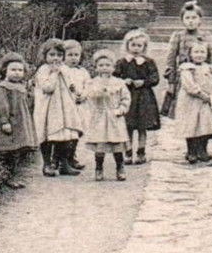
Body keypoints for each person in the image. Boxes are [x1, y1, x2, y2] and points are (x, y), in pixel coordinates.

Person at [0, 52, 37, 188]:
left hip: (19, 124)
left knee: (16, 152)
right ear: (5, 71)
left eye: (20, 70)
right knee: (7, 151)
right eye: (13, 70)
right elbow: (0, 106)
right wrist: (4, 121)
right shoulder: (3, 87)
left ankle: (13, 175)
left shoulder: (21, 87)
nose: (17, 73)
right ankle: (6, 177)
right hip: (8, 124)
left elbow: (26, 104)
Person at [82, 50, 131, 181]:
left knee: (117, 145)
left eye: (108, 65)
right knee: (100, 145)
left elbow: (125, 98)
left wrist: (121, 109)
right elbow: (89, 96)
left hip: (115, 117)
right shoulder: (92, 83)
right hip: (99, 117)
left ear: (113, 67)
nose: (105, 68)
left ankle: (120, 168)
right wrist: (99, 90)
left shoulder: (119, 83)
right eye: (101, 65)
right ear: (96, 67)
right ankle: (98, 168)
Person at [115, 28, 160, 164]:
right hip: (128, 97)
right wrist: (124, 81)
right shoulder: (122, 62)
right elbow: (115, 77)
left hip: (144, 98)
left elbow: (155, 78)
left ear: (144, 47)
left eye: (139, 46)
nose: (136, 48)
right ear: (127, 45)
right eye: (133, 45)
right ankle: (128, 153)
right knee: (128, 126)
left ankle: (141, 152)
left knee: (142, 127)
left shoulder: (148, 62)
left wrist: (144, 82)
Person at [31, 38, 75, 177]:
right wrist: (54, 73)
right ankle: (47, 164)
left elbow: (71, 85)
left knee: (64, 137)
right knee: (49, 136)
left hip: (63, 109)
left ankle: (63, 164)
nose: (55, 58)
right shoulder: (43, 70)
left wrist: (75, 91)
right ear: (45, 56)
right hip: (48, 109)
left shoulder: (65, 68)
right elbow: (48, 87)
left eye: (59, 55)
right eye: (52, 55)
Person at [176, 39, 212, 165]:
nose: (199, 55)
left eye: (202, 52)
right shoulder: (187, 68)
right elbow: (188, 85)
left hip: (207, 101)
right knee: (191, 124)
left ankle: (203, 150)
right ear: (190, 54)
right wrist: (201, 94)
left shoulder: (211, 68)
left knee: (205, 125)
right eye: (196, 52)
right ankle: (191, 151)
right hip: (191, 101)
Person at [163, 0, 212, 94]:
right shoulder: (178, 36)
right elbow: (170, 61)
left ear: (200, 19)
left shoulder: (207, 36)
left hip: (203, 76)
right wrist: (171, 82)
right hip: (184, 77)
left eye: (194, 17)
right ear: (182, 20)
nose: (190, 21)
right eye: (187, 18)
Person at [52, 39, 90, 175]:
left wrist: (84, 95)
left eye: (76, 55)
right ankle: (57, 160)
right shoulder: (62, 70)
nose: (74, 58)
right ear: (63, 56)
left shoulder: (83, 72)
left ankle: (70, 158)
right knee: (65, 133)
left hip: (80, 106)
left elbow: (88, 85)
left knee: (77, 132)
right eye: (70, 55)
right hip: (66, 107)